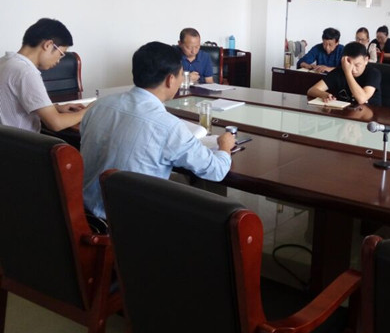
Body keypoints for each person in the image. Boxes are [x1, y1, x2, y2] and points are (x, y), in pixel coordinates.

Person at [81, 42, 235, 219]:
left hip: (83, 212)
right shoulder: (168, 126)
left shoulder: (99, 106)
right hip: (130, 223)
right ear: (170, 80)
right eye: (181, 74)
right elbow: (216, 170)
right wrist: (225, 146)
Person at [0, 18, 88, 133]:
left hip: (7, 140)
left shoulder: (5, 61)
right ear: (48, 45)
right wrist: (87, 111)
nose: (58, 60)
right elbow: (56, 124)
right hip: (23, 142)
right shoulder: (26, 72)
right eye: (61, 54)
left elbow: (16, 105)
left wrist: (56, 108)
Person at [306, 41, 381, 106]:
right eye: (349, 64)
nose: (353, 69)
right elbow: (311, 90)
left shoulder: (373, 73)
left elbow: (361, 99)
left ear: (366, 60)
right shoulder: (339, 72)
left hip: (370, 114)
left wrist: (347, 72)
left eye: (357, 65)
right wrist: (324, 94)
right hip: (344, 113)